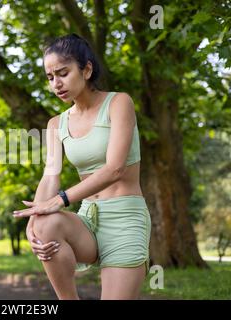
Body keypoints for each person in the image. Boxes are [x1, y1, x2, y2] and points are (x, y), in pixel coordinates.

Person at [13, 34, 152, 300]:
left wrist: (60, 200)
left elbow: (115, 169)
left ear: (86, 69)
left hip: (125, 220)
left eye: (63, 73)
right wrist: (33, 222)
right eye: (50, 77)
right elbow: (50, 176)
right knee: (45, 223)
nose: (56, 84)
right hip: (87, 220)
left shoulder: (119, 103)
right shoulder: (56, 124)